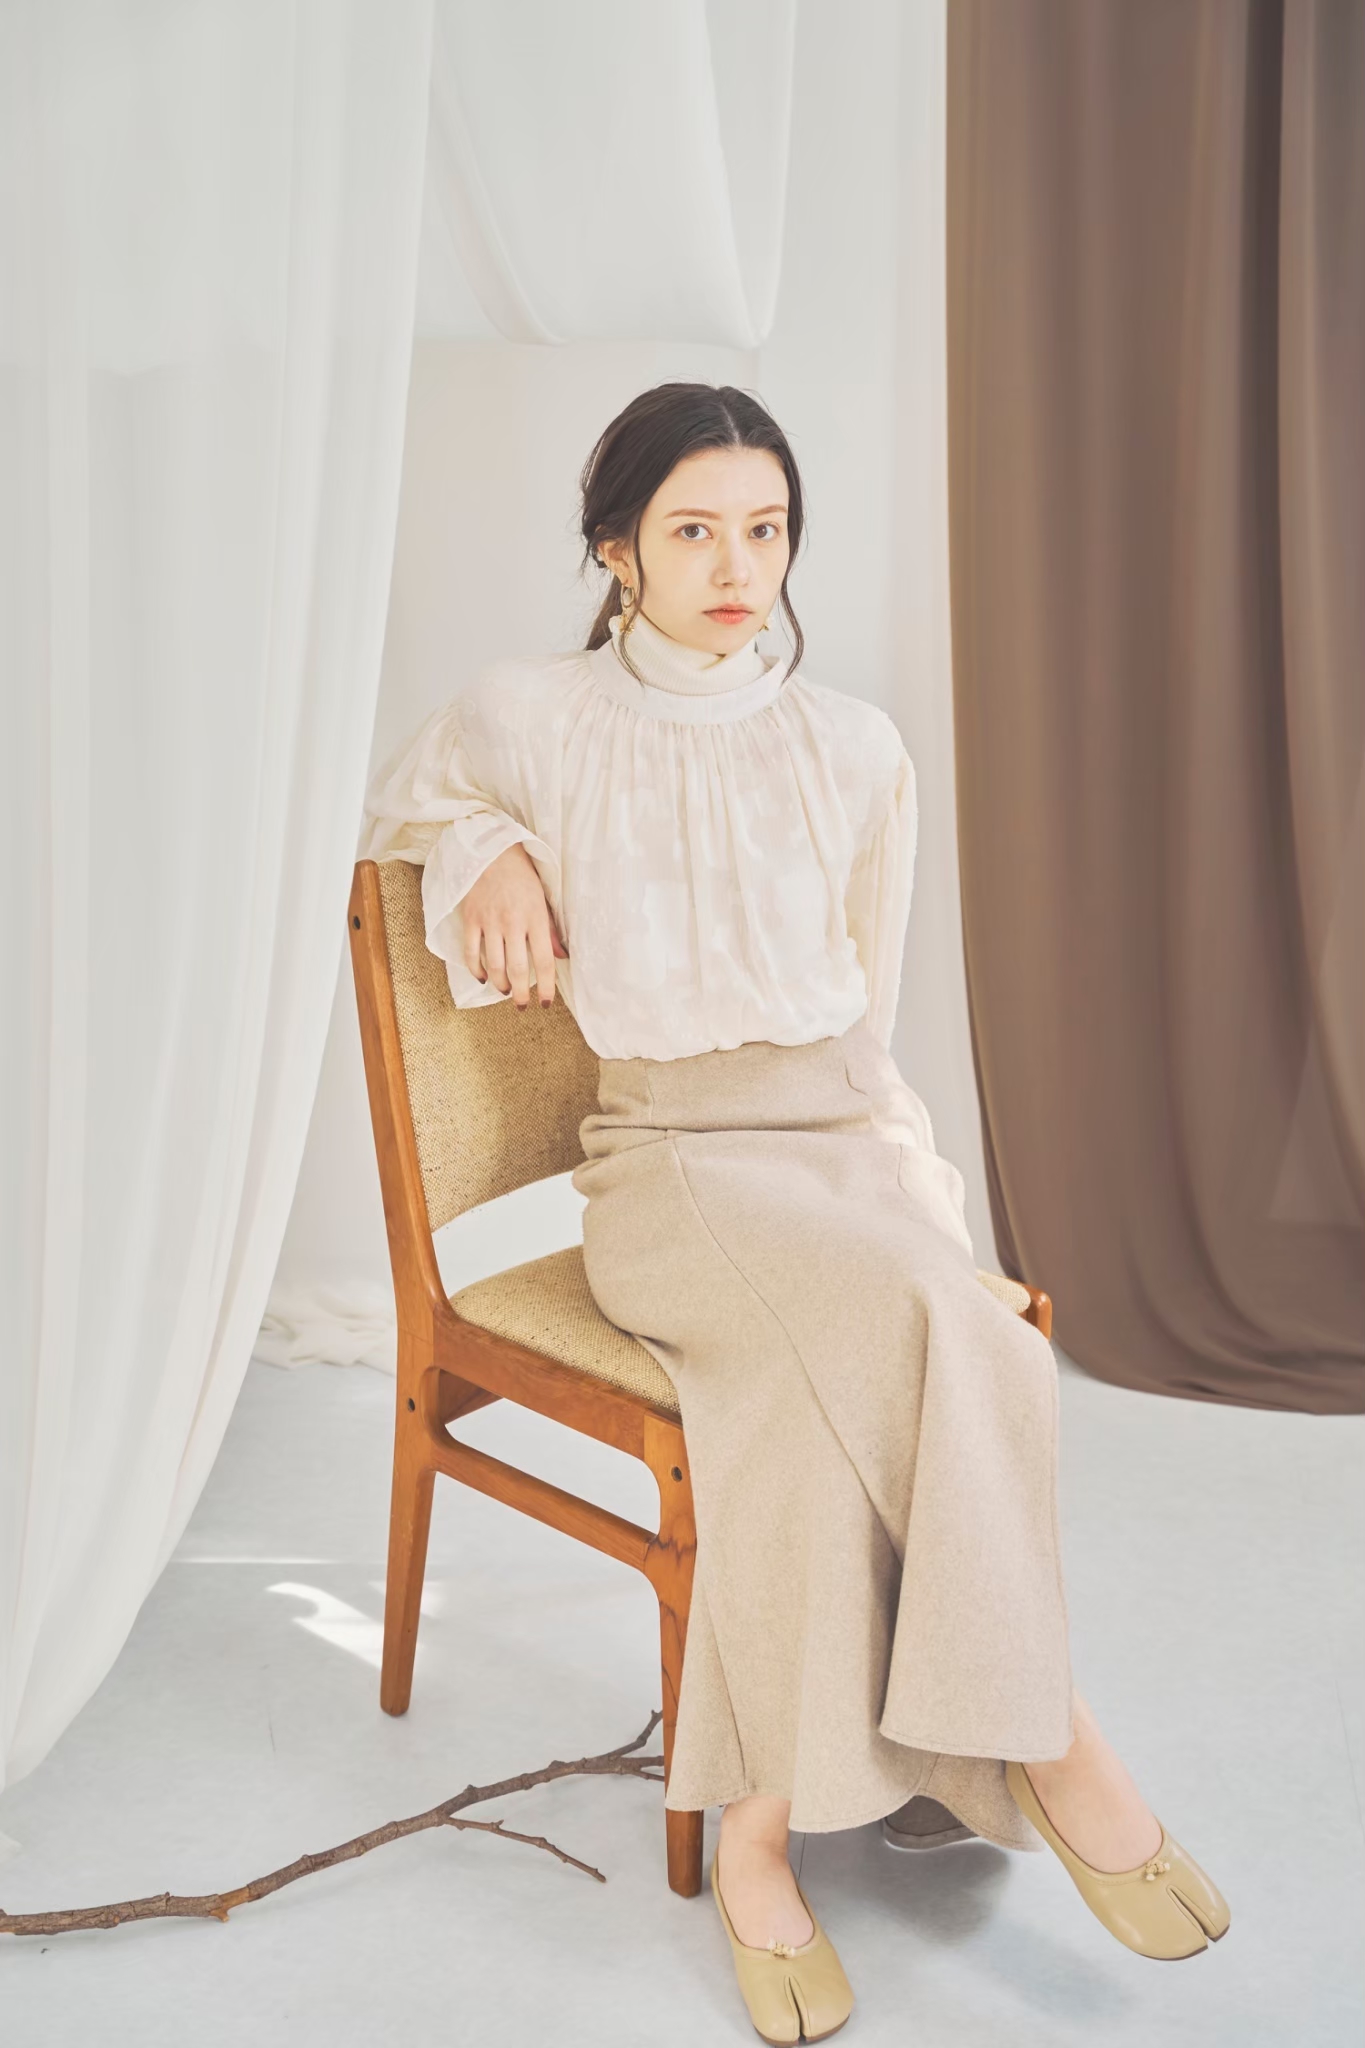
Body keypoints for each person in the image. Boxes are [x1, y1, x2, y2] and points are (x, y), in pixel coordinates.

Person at [358, 382, 1230, 2043]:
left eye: (764, 530)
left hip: (834, 1137)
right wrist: (485, 848)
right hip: (670, 1162)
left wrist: (909, 1187)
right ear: (616, 550)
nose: (735, 566)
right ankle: (1044, 1736)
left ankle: (758, 1834)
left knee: (904, 1355)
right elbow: (400, 808)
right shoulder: (529, 714)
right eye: (692, 530)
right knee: (928, 1326)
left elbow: (866, 1014)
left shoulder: (852, 748)